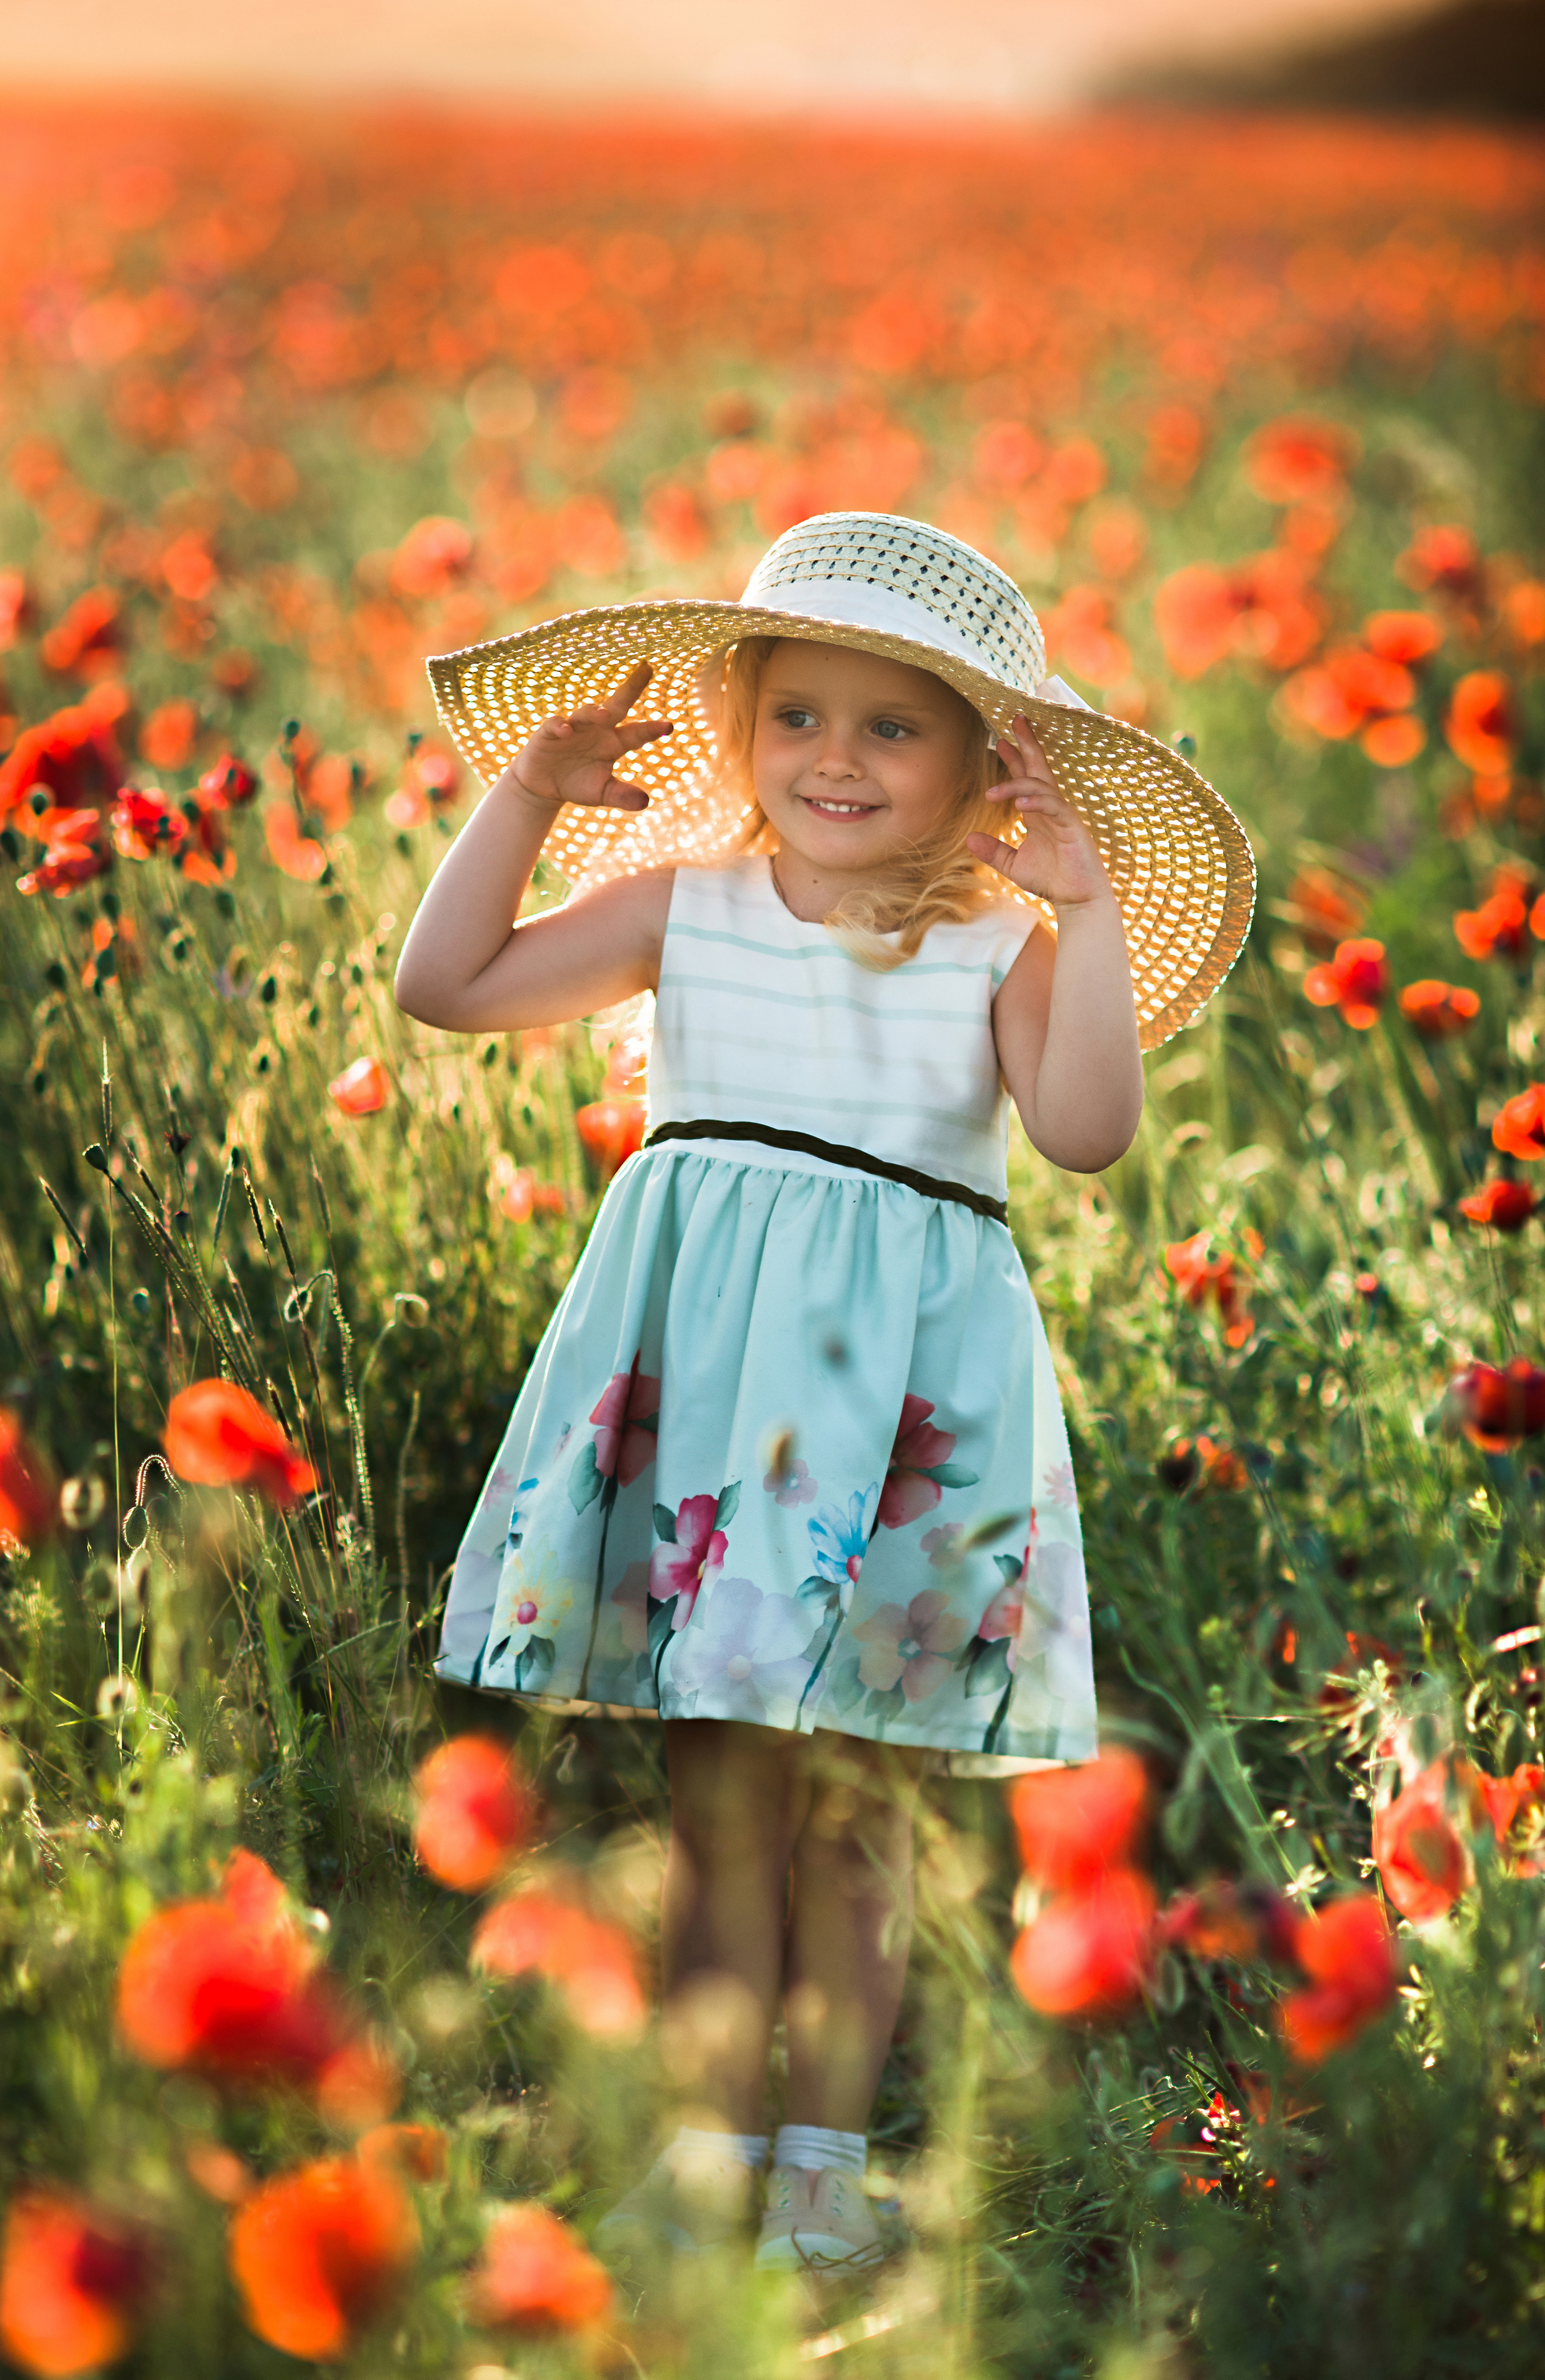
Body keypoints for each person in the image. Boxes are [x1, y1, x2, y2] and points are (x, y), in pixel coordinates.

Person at [395, 511, 1253, 2276]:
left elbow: (1086, 1128)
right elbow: (446, 985)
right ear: (739, 728)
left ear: (978, 766)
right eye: (798, 716)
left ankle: (822, 2164)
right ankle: (706, 2149)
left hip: (902, 1422)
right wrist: (531, 797)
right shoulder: (687, 911)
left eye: (893, 725)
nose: (837, 759)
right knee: (718, 1794)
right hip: (712, 1404)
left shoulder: (990, 955)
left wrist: (1081, 914)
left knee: (858, 1801)